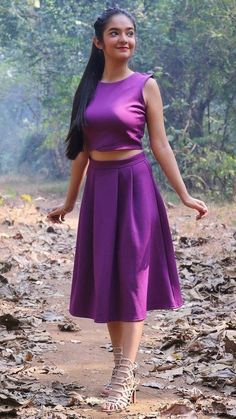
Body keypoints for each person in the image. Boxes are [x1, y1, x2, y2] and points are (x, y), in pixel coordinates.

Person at [47, 6, 208, 413]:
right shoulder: (87, 89)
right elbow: (82, 152)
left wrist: (184, 195)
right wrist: (69, 202)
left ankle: (124, 375)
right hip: (100, 190)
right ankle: (123, 368)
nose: (125, 40)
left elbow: (161, 145)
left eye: (130, 33)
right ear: (98, 42)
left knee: (133, 277)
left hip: (134, 185)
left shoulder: (145, 85)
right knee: (110, 278)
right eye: (115, 33)